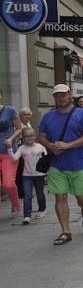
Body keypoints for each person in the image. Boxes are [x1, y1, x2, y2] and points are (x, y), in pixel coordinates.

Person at [38, 84, 83, 245]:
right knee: (60, 196)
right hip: (57, 165)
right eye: (57, 96)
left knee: (81, 197)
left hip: (79, 163)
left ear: (70, 95)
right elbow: (41, 136)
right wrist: (51, 146)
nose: (60, 98)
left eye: (63, 95)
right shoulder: (48, 116)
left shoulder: (82, 114)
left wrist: (67, 145)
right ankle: (66, 231)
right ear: (54, 98)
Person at [8, 127, 47, 224]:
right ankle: (27, 216)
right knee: (27, 195)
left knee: (40, 194)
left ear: (35, 136)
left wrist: (47, 173)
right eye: (27, 136)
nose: (30, 138)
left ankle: (42, 209)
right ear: (23, 138)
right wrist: (9, 148)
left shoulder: (40, 147)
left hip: (39, 175)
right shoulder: (22, 148)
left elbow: (46, 160)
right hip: (27, 175)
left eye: (32, 135)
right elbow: (14, 159)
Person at [0, 88, 22, 216]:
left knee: (8, 184)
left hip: (9, 152)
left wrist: (11, 138)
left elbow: (19, 129)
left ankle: (15, 203)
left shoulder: (10, 110)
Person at [10, 106, 33, 202]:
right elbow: (16, 137)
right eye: (25, 115)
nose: (28, 117)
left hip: (28, 149)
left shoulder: (27, 123)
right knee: (21, 171)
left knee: (27, 169)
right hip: (20, 148)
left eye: (29, 115)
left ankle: (27, 191)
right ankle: (21, 192)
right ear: (20, 116)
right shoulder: (18, 125)